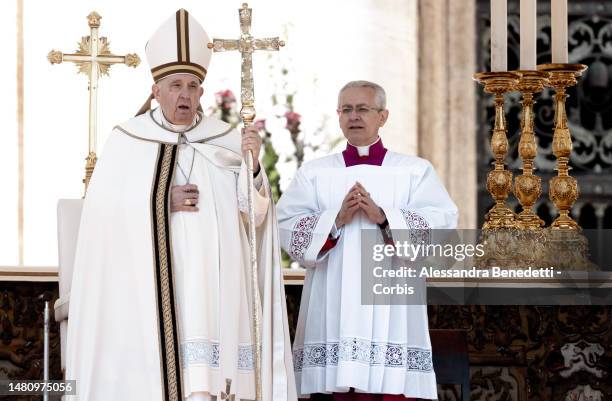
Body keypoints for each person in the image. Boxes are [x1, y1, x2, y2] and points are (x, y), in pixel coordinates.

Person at [65, 9, 296, 401]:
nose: (185, 95)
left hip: (214, 287)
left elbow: (253, 220)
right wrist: (157, 199)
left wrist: (253, 170)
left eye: (192, 86)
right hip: (148, 294)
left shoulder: (224, 140)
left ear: (202, 93)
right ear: (155, 91)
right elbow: (100, 218)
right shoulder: (127, 140)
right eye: (175, 85)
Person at [276, 81, 458, 400]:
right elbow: (285, 223)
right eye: (346, 109)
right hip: (332, 297)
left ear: (383, 116)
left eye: (362, 109)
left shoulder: (414, 171)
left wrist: (385, 217)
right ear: (338, 115)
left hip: (392, 298)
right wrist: (335, 219)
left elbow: (442, 219)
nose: (354, 116)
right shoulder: (315, 173)